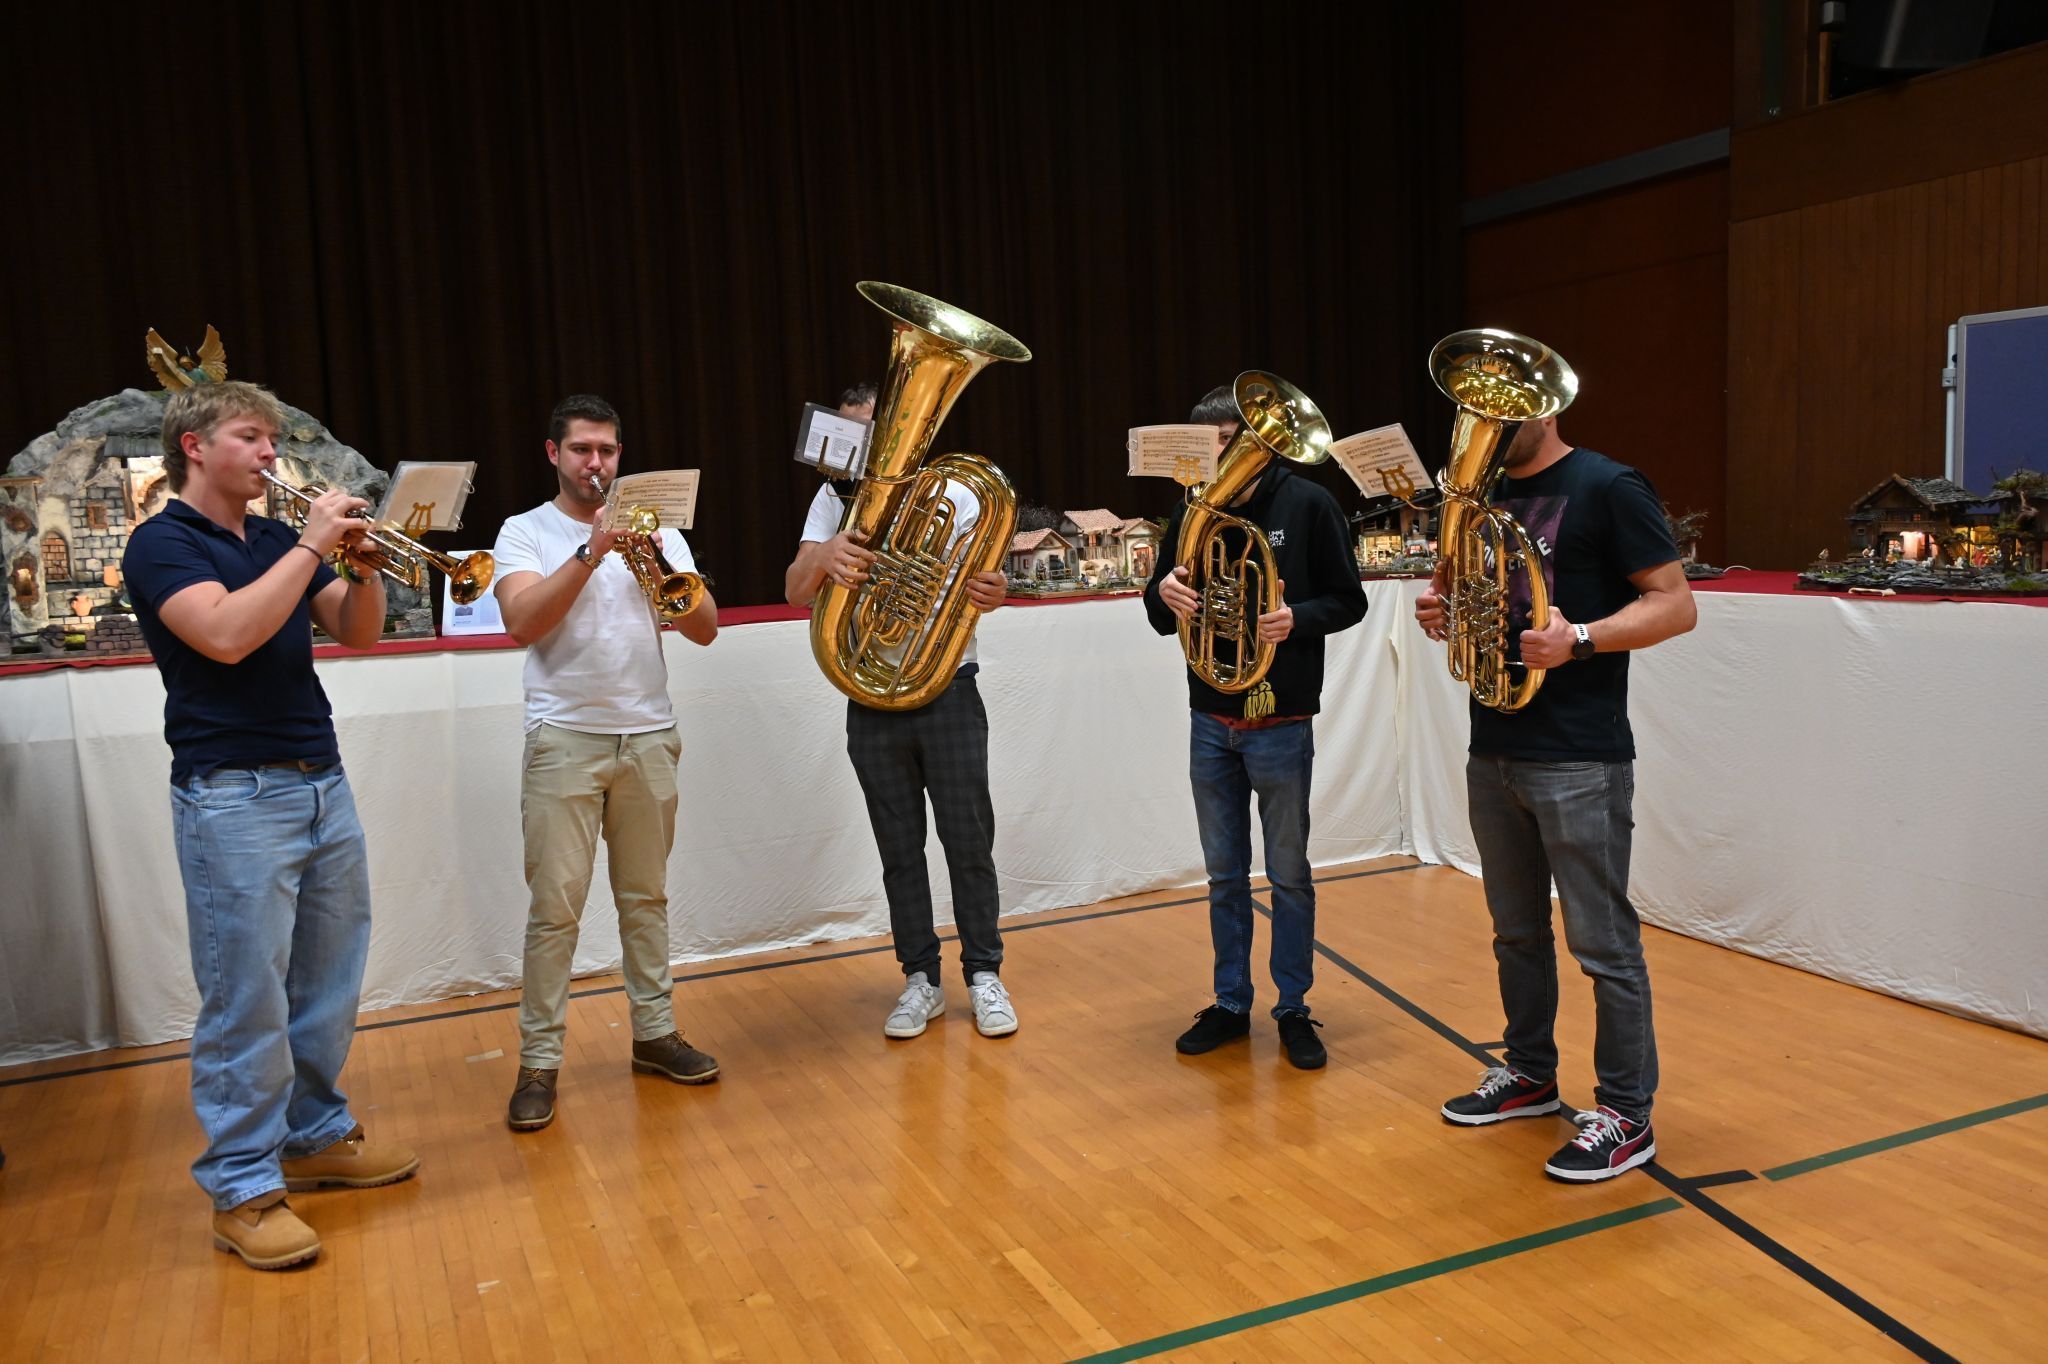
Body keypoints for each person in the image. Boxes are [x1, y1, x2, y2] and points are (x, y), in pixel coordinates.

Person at [122, 380, 417, 1271]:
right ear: (195, 447)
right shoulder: (162, 543)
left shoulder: (278, 539)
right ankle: (242, 1188)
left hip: (319, 778)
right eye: (251, 437)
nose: (268, 454)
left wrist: (358, 564)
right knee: (245, 997)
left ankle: (317, 1136)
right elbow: (225, 635)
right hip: (231, 794)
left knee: (328, 978)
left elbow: (356, 631)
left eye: (272, 439)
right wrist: (314, 546)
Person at [1416, 413, 1695, 1182]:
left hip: (1579, 755)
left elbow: (1676, 604)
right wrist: (1445, 616)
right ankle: (1530, 1075)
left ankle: (1626, 1115)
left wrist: (1580, 639)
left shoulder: (1607, 485)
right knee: (1515, 934)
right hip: (1494, 745)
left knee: (1603, 947)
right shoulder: (1481, 497)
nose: (1490, 425)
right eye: (1477, 412)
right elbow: (1477, 601)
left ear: (1547, 405)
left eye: (1505, 410)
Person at [492, 394, 720, 1132]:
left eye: (609, 452)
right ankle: (538, 1063)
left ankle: (654, 1035)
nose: (597, 463)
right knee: (554, 912)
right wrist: (593, 551)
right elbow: (522, 622)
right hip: (564, 739)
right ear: (553, 454)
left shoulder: (659, 532)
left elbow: (706, 629)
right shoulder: (523, 531)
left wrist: (650, 555)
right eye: (583, 449)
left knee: (645, 901)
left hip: (649, 734)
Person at [1144, 383, 1368, 1069]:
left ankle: (1294, 1008)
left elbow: (1349, 600)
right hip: (1210, 715)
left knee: (1291, 874)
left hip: (1279, 716)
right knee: (1224, 876)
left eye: (1216, 449)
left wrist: (1296, 616)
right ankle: (1231, 1003)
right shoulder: (1189, 509)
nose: (1207, 465)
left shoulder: (1309, 503)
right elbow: (1158, 613)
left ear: (1249, 441)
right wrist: (1166, 593)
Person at [784, 382, 1017, 1040]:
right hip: (872, 692)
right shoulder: (831, 500)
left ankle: (984, 974)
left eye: (877, 433)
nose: (869, 451)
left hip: (948, 686)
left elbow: (992, 582)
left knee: (970, 842)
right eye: (854, 437)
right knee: (898, 848)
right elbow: (795, 587)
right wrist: (826, 557)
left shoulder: (960, 493)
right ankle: (920, 978)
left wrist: (997, 589)